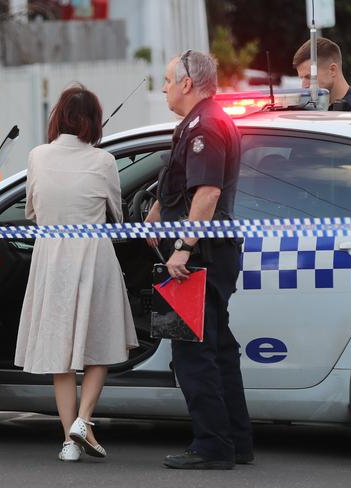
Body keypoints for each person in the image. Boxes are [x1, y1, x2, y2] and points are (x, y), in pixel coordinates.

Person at [14, 83, 139, 463]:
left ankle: (69, 443)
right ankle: (84, 420)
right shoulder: (103, 161)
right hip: (94, 256)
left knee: (60, 352)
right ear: (93, 121)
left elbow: (30, 213)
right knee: (97, 345)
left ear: (59, 118)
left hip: (51, 259)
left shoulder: (37, 156)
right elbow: (117, 214)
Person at [144, 50, 254, 470]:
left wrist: (183, 247)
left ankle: (211, 445)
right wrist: (156, 211)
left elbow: (206, 193)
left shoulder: (205, 125)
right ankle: (236, 441)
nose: (165, 87)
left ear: (188, 83)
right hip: (210, 252)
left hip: (200, 256)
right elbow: (181, 185)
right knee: (219, 348)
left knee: (192, 352)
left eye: (169, 79)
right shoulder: (198, 122)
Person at [293, 37, 351, 111]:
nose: (304, 86)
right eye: (301, 78)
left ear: (332, 70)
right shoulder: (309, 112)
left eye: (309, 77)